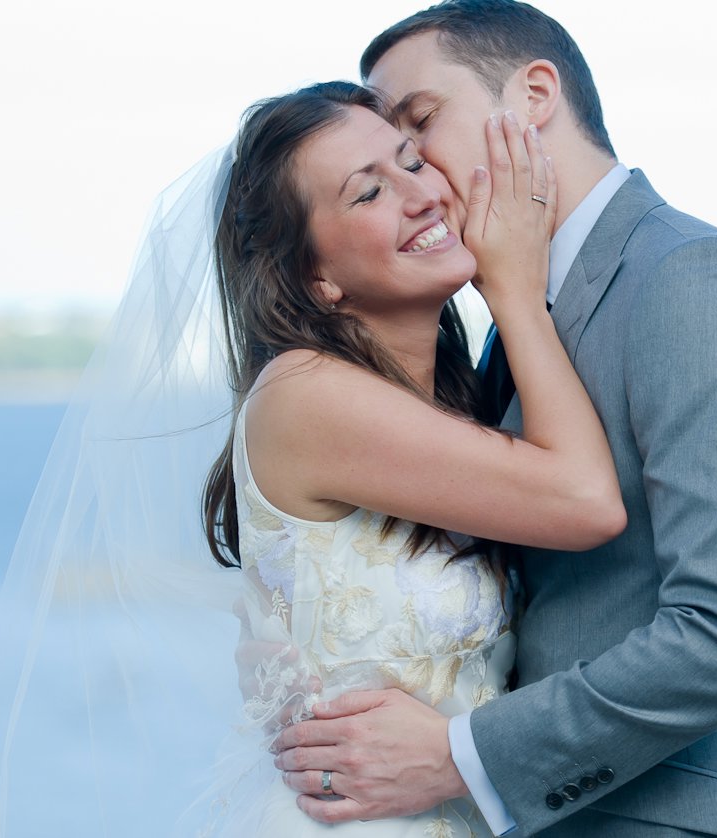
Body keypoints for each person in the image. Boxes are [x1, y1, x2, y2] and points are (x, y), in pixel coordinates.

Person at [271, 2, 717, 836]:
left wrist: (459, 755)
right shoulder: (512, 315)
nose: (419, 171)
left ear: (535, 95)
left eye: (420, 125)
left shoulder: (692, 281)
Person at [207, 79, 628, 836]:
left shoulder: (445, 405)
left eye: (411, 159)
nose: (421, 194)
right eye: (368, 193)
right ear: (315, 277)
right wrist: (515, 287)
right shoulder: (306, 395)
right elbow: (586, 501)